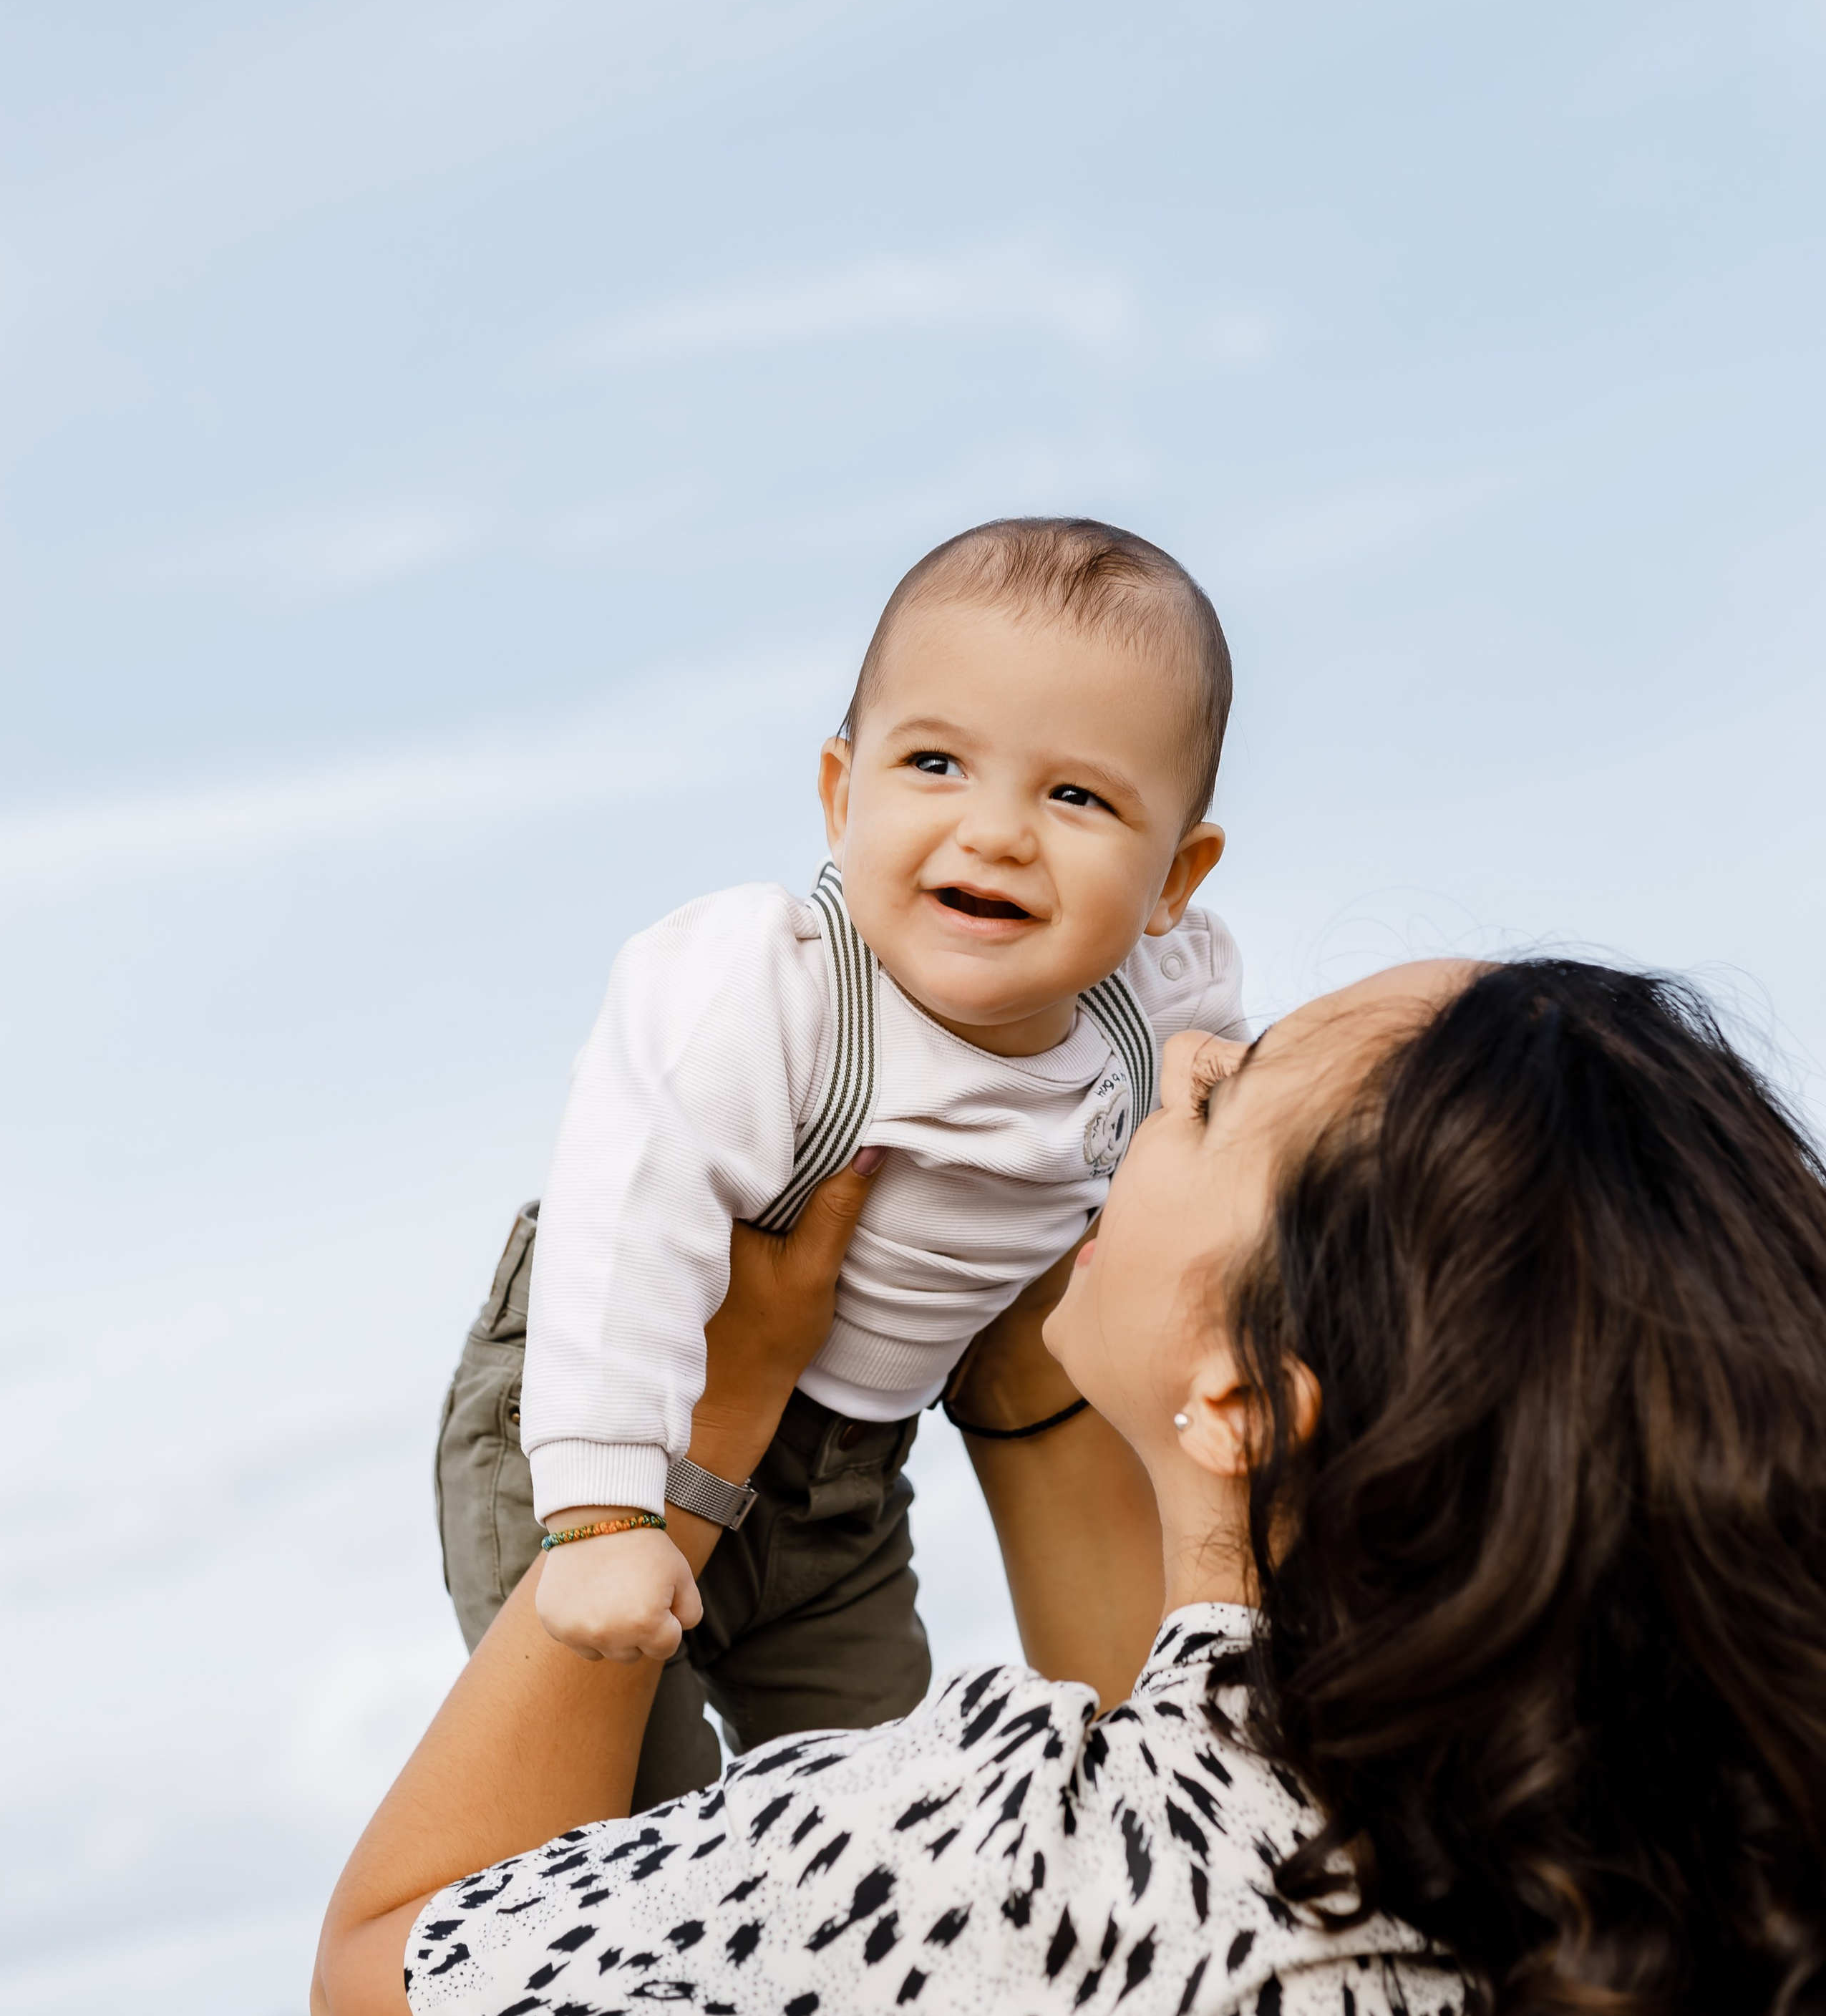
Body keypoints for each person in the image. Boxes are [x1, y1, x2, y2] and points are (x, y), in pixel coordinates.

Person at [317, 954, 1826, 2016]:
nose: (1176, 1058)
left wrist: (688, 1448)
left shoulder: (992, 1883)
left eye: (1226, 1095)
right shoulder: (1718, 1888)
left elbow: (403, 1984)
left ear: (1238, 1398)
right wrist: (1034, 1349)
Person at [436, 516, 1245, 1805]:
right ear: (840, 794)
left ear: (1174, 879)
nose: (996, 833)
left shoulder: (1154, 1014)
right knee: (623, 1820)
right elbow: (622, 1224)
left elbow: (1239, 1125)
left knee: (872, 1801)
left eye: (1076, 795)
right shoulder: (781, 992)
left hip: (848, 1491)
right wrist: (602, 1517)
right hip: (622, 1416)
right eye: (936, 763)